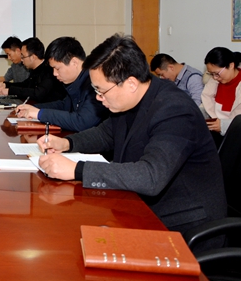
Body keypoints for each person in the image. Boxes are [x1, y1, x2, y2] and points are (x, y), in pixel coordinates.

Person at [37, 34, 226, 250]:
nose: (98, 97)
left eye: (101, 90)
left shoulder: (175, 110)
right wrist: (66, 144)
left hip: (184, 224)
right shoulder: (130, 100)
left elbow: (151, 176)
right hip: (142, 205)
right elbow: (105, 134)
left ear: (131, 83)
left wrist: (77, 170)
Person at [16, 36, 108, 131]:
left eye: (57, 68)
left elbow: (82, 121)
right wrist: (34, 108)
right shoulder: (77, 81)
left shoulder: (95, 83)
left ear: (74, 62)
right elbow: (65, 105)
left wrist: (40, 114)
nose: (54, 73)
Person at [0, 37, 66, 103]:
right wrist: (5, 85)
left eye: (23, 57)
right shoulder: (35, 69)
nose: (21, 60)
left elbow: (38, 93)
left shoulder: (49, 70)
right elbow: (25, 85)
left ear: (33, 57)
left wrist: (10, 91)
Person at [201, 47, 241, 137]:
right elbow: (205, 106)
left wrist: (224, 126)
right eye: (211, 74)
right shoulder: (214, 83)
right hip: (216, 134)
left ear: (231, 65)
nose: (215, 77)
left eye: (217, 73)